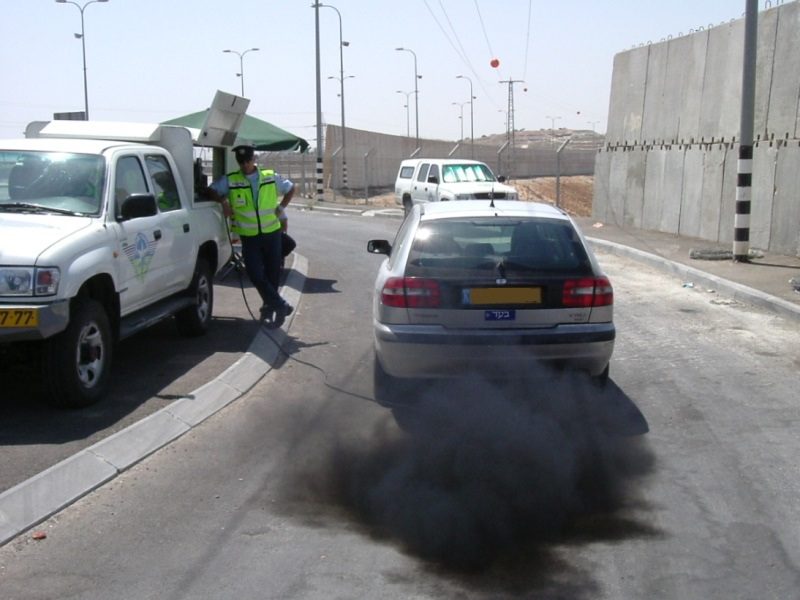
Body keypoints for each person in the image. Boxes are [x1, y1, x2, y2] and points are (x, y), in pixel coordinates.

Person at [208, 144, 295, 327]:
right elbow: (210, 190)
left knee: (272, 275)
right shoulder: (231, 180)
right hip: (249, 236)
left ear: (253, 159)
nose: (245, 165)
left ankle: (269, 309)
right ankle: (280, 304)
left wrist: (281, 208)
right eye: (241, 162)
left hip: (272, 233)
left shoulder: (269, 177)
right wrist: (223, 201)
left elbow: (291, 189)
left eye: (247, 161)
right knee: (255, 274)